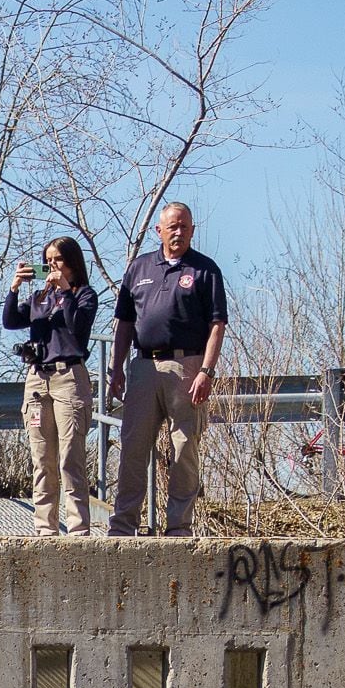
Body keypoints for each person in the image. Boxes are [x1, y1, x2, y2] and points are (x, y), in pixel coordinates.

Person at [107, 201, 228, 538]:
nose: (178, 232)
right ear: (158, 230)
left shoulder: (205, 270)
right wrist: (115, 368)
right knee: (133, 446)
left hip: (187, 366)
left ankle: (178, 527)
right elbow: (124, 323)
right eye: (172, 226)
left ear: (192, 230)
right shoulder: (139, 268)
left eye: (184, 226)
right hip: (143, 366)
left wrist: (206, 370)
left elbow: (218, 325)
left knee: (184, 446)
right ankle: (123, 525)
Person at [4, 238, 99, 535]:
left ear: (72, 263)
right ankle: (45, 526)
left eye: (58, 260)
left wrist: (66, 291)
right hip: (37, 379)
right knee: (42, 456)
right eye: (48, 261)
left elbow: (78, 327)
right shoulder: (38, 298)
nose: (53, 266)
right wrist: (14, 287)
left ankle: (78, 526)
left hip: (68, 377)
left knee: (70, 454)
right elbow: (9, 321)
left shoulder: (83, 295)